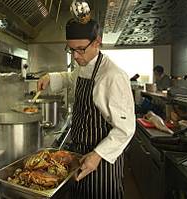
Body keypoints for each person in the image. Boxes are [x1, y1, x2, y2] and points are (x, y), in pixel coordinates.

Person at [37, 18, 135, 199]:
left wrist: (97, 155)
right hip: (78, 153)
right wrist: (50, 77)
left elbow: (125, 128)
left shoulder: (113, 76)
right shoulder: (83, 64)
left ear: (98, 42)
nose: (75, 55)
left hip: (103, 158)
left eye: (80, 49)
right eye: (71, 49)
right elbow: (71, 77)